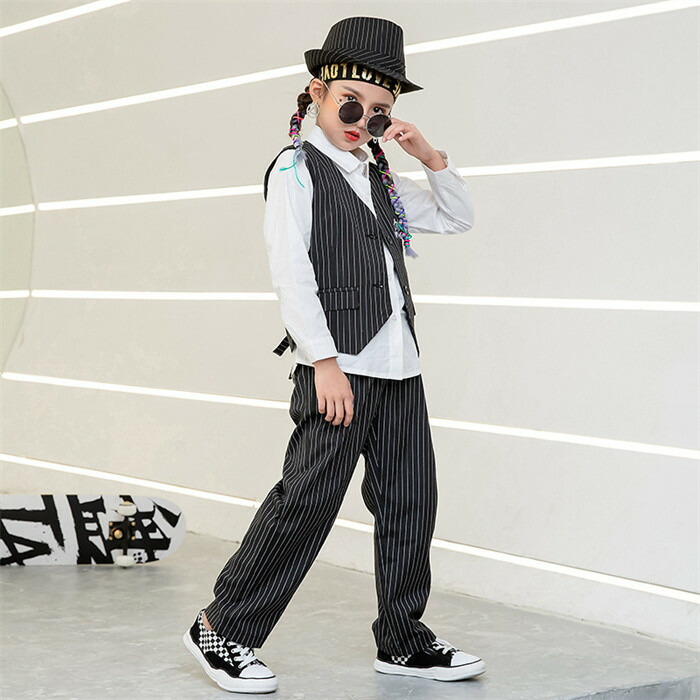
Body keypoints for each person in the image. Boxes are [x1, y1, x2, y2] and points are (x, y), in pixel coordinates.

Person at [183, 15, 486, 694]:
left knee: (411, 503)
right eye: (351, 103)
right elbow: (292, 272)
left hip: (399, 364)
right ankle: (222, 628)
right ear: (317, 93)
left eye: (379, 112)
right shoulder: (296, 169)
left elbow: (457, 217)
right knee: (307, 501)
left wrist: (428, 155)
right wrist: (323, 362)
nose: (362, 121)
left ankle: (403, 641)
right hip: (339, 367)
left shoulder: (379, 176)